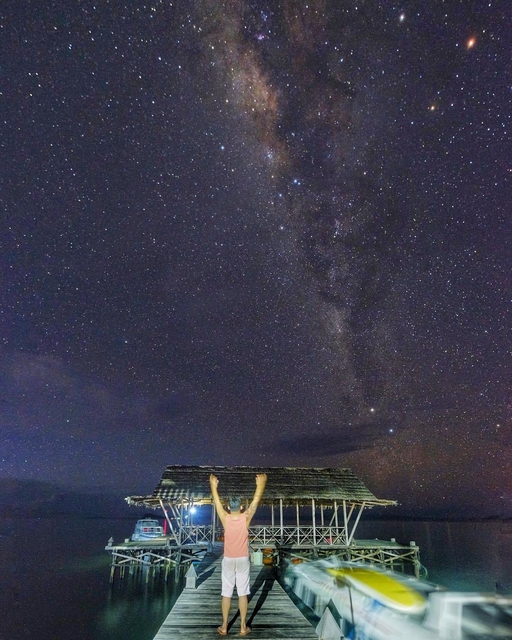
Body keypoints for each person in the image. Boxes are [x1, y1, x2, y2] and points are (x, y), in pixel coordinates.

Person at [210, 472, 267, 636]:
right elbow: (255, 502)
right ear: (241, 507)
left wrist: (213, 486)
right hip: (243, 559)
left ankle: (224, 626)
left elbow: (216, 503)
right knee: (243, 593)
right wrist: (260, 485)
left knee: (226, 593)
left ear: (229, 507)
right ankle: (243, 627)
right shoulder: (245, 517)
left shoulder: (225, 517)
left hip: (228, 560)